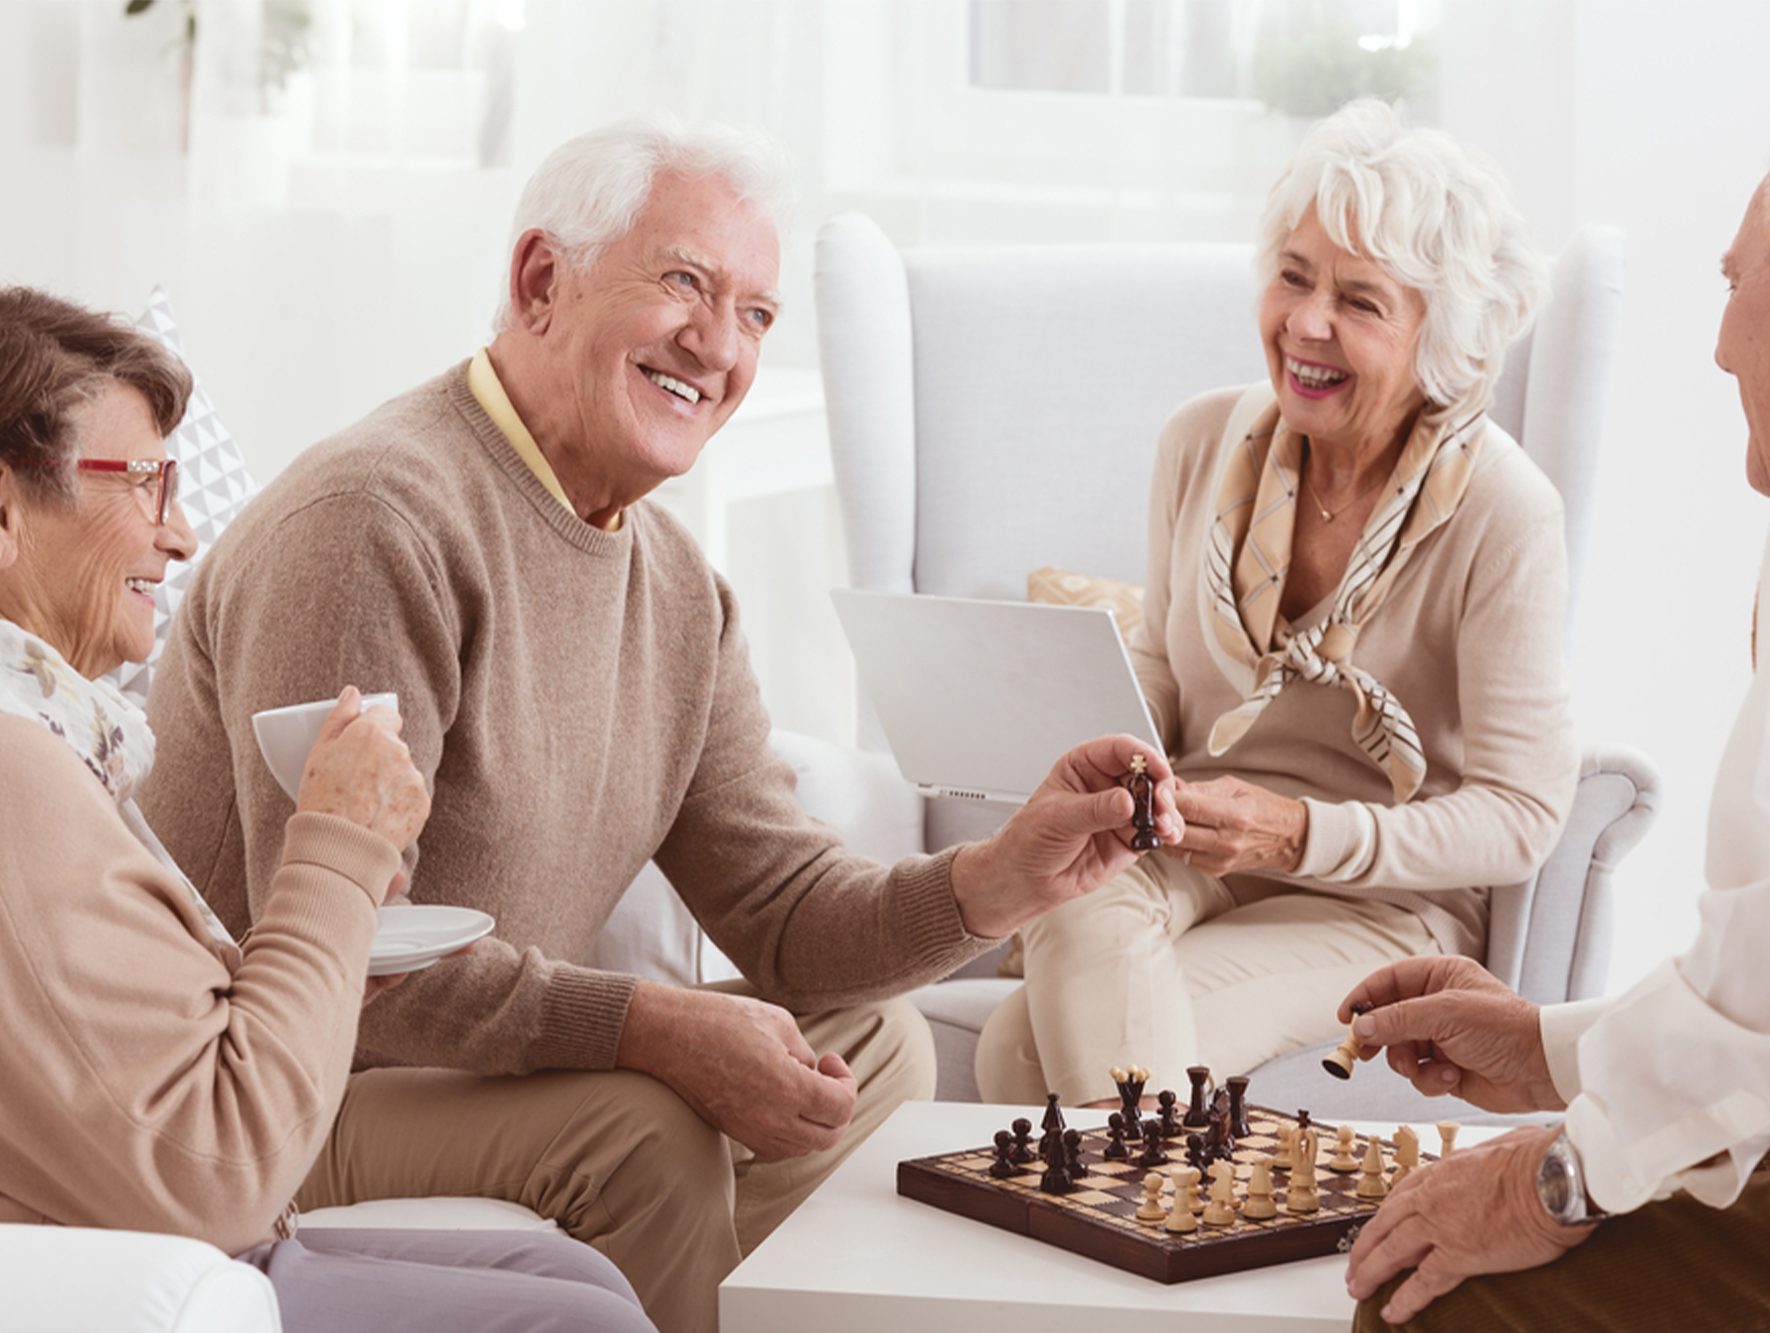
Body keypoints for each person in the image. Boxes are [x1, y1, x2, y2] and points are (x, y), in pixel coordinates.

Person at [138, 119, 1182, 1333]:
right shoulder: (378, 519)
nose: (719, 345)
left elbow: (786, 911)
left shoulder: (681, 590)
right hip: (271, 1091)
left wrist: (1000, 879)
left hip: (452, 1067)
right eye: (686, 282)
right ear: (541, 281)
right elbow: (350, 963)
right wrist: (649, 1026)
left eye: (756, 314)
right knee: (645, 1132)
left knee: (873, 1047)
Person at [0, 287, 656, 1332]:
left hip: (185, 1209)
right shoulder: (16, 769)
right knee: (587, 1318)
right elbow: (220, 1170)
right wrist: (335, 851)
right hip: (153, 1253)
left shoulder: (57, 738)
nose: (182, 536)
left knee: (577, 1282)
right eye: (147, 485)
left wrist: (344, 886)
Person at [974, 98, 1582, 1108]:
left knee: (1019, 1052)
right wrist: (1082, 740)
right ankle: (1160, 1240)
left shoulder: (1505, 511)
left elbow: (1521, 816)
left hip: (1383, 897)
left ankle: (1146, 1237)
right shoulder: (1200, 443)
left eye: (1361, 300)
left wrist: (1299, 834)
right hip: (1189, 846)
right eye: (1294, 276)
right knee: (1076, 886)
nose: (1306, 321)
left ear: (1444, 338)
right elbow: (1168, 677)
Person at [1337, 171, 1770, 1332]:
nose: (1721, 347)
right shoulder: (1205, 456)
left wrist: (1555, 1179)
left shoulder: (1502, 505)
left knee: (1421, 1299)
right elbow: (1754, 994)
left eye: (1738, 287)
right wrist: (1548, 1050)